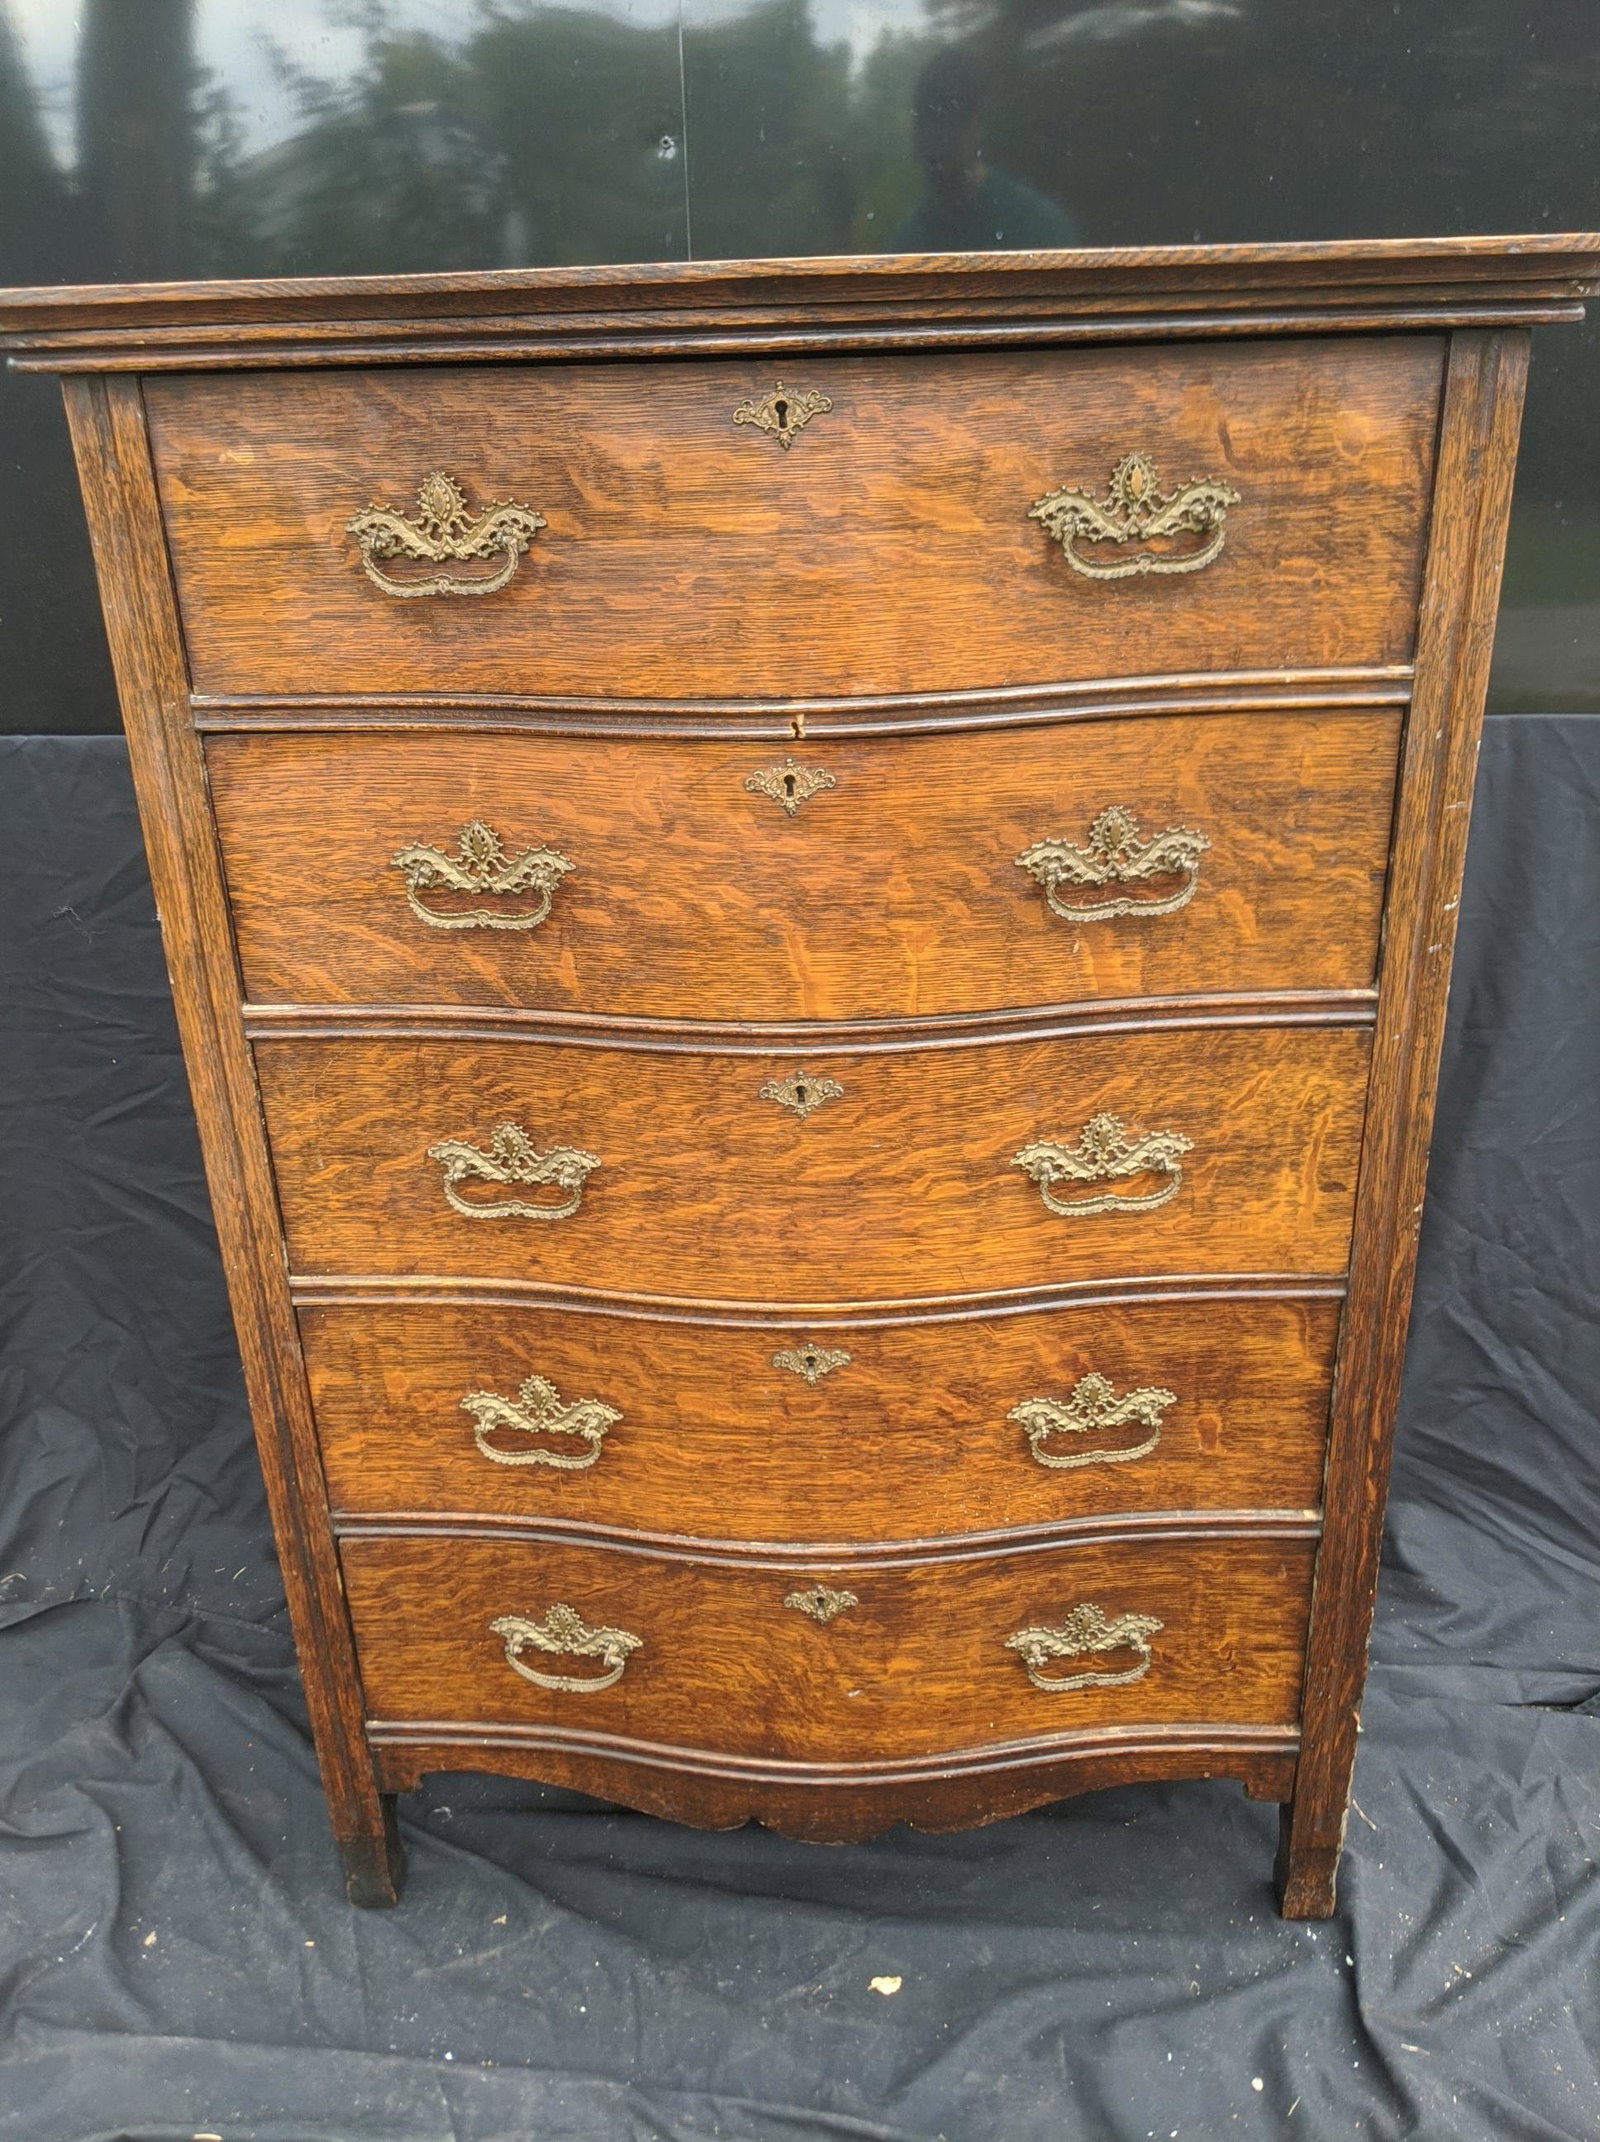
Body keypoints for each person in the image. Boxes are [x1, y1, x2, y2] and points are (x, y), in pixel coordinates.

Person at [891, 46, 1081, 252]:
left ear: (978, 123)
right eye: (927, 123)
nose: (934, 141)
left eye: (950, 122)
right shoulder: (908, 244)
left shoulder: (1039, 228)